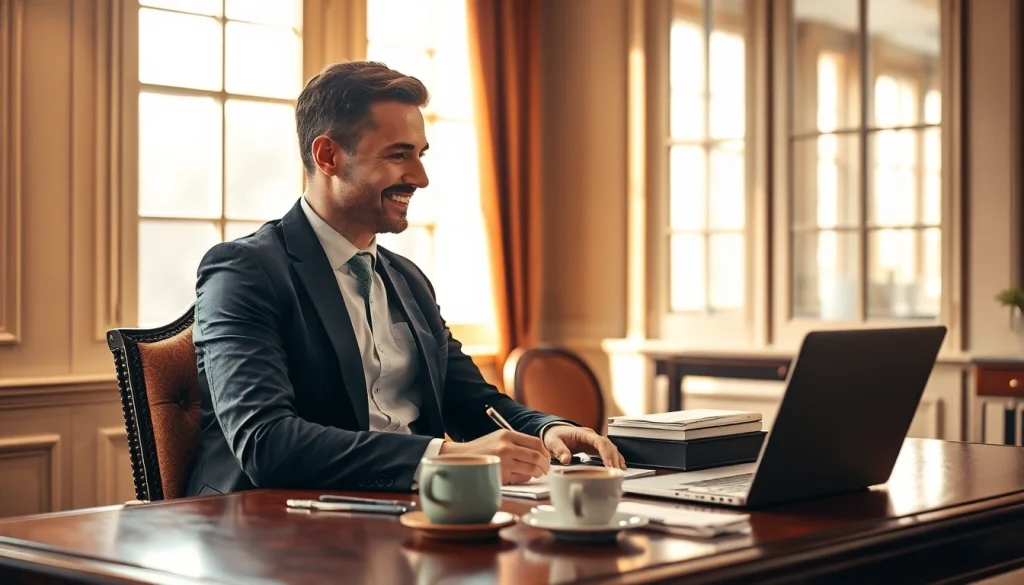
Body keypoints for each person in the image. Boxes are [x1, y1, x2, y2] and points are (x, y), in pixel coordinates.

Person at [184, 60, 625, 497]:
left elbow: (473, 402)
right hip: (270, 530)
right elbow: (267, 444)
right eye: (399, 155)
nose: (420, 178)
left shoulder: (407, 279)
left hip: (408, 514)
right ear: (328, 156)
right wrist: (444, 457)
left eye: (420, 155)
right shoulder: (243, 271)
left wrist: (547, 430)